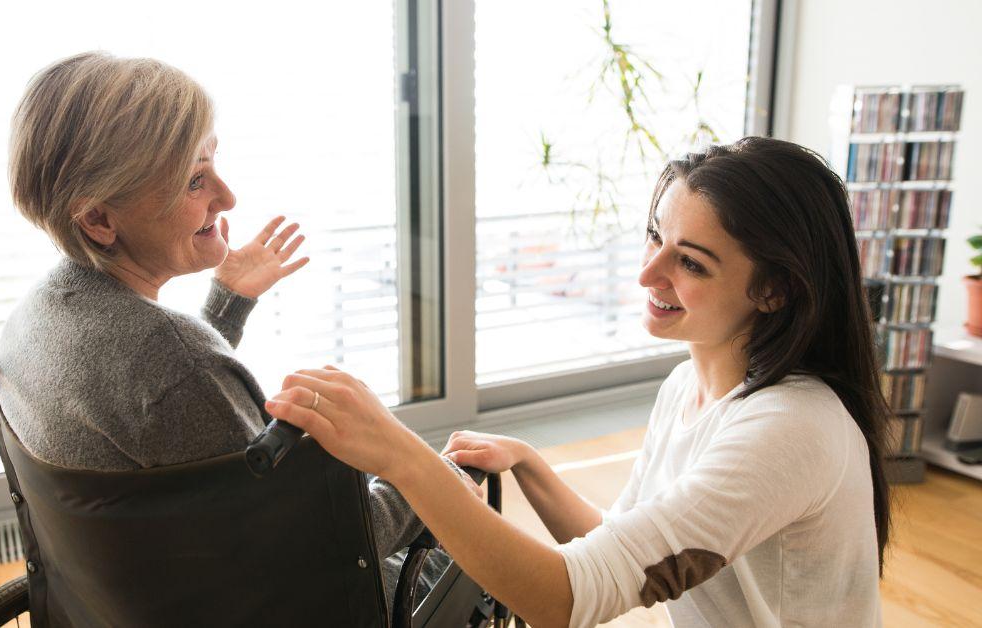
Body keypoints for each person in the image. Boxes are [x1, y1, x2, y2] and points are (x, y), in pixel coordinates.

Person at [268, 137, 891, 627]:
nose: (649, 273)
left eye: (691, 262)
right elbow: (621, 548)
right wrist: (530, 464)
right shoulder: (686, 385)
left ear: (774, 289)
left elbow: (564, 601)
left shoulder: (791, 428)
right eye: (655, 236)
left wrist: (399, 453)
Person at [0, 51, 473, 614]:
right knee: (472, 516)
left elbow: (157, 416)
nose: (226, 197)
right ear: (99, 219)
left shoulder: (37, 318)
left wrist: (227, 303)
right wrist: (432, 476)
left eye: (212, 162)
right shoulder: (174, 366)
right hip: (278, 602)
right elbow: (322, 545)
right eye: (194, 181)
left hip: (143, 594)